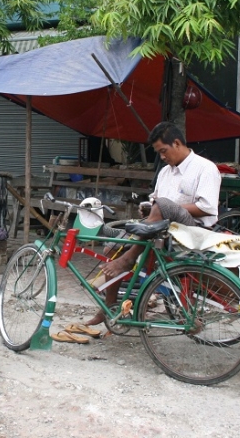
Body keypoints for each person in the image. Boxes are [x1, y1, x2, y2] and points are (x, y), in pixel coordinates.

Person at [86, 121, 221, 326]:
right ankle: (109, 307)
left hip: (193, 229)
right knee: (112, 245)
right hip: (161, 228)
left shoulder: (205, 168)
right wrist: (149, 208)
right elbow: (155, 201)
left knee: (164, 205)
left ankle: (129, 259)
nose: (162, 157)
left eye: (164, 151)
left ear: (177, 143)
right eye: (159, 153)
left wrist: (165, 207)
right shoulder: (165, 172)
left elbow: (207, 207)